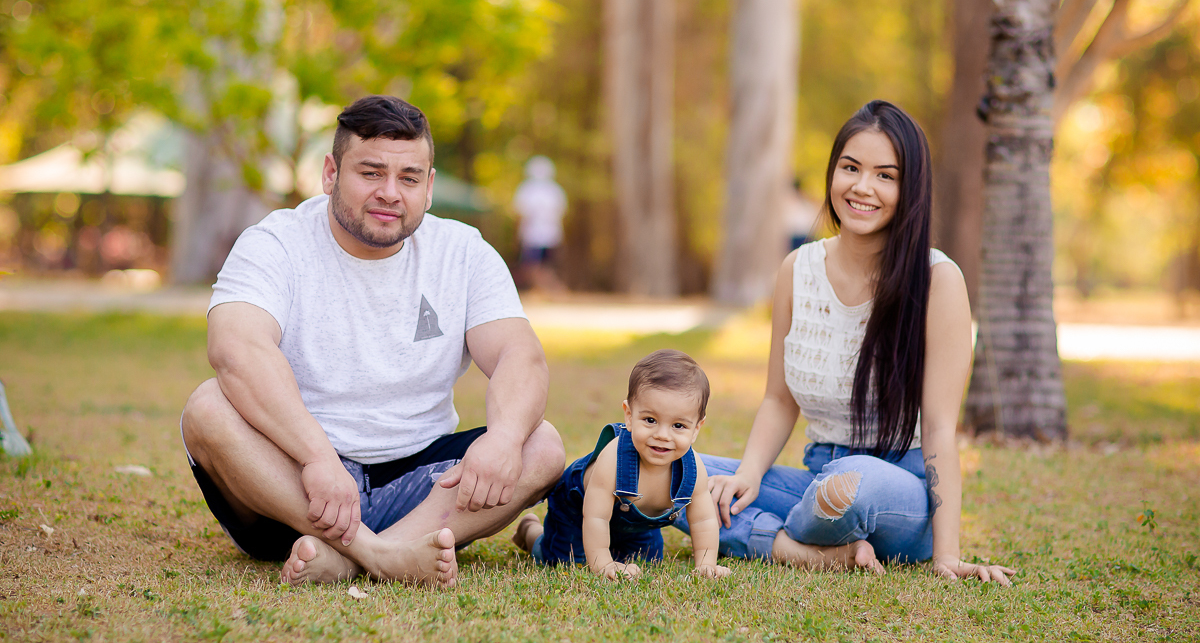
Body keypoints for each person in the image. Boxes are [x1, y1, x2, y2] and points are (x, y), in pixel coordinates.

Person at [180, 95, 565, 589]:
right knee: (207, 407)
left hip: (422, 488)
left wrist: (505, 439)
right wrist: (317, 457)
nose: (390, 193)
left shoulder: (463, 252)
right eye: (371, 173)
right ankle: (382, 556)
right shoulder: (274, 243)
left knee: (541, 444)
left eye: (409, 178)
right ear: (330, 173)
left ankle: (351, 558)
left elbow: (520, 356)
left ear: (429, 187)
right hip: (293, 488)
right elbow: (237, 350)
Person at [677, 100, 1014, 584]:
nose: (862, 187)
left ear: (910, 188)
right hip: (816, 479)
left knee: (852, 483)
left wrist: (947, 556)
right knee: (666, 465)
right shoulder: (798, 269)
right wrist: (748, 475)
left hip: (896, 492)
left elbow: (940, 428)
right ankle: (801, 550)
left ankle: (767, 534)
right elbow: (778, 399)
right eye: (850, 168)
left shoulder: (938, 279)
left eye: (885, 175)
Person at [513, 350, 729, 580]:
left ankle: (614, 548)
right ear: (629, 416)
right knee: (565, 560)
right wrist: (603, 564)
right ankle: (532, 533)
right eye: (650, 420)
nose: (662, 435)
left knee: (647, 561)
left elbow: (703, 520)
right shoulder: (614, 460)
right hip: (579, 508)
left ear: (696, 428)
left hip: (633, 523)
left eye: (678, 426)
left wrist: (706, 564)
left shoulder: (692, 470)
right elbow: (596, 517)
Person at [512, 156, 568, 292]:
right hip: (552, 235)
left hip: (532, 235)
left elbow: (521, 215)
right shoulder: (556, 191)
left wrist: (517, 234)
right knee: (545, 265)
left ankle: (553, 289)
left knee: (531, 265)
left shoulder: (526, 190)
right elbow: (561, 214)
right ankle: (545, 290)